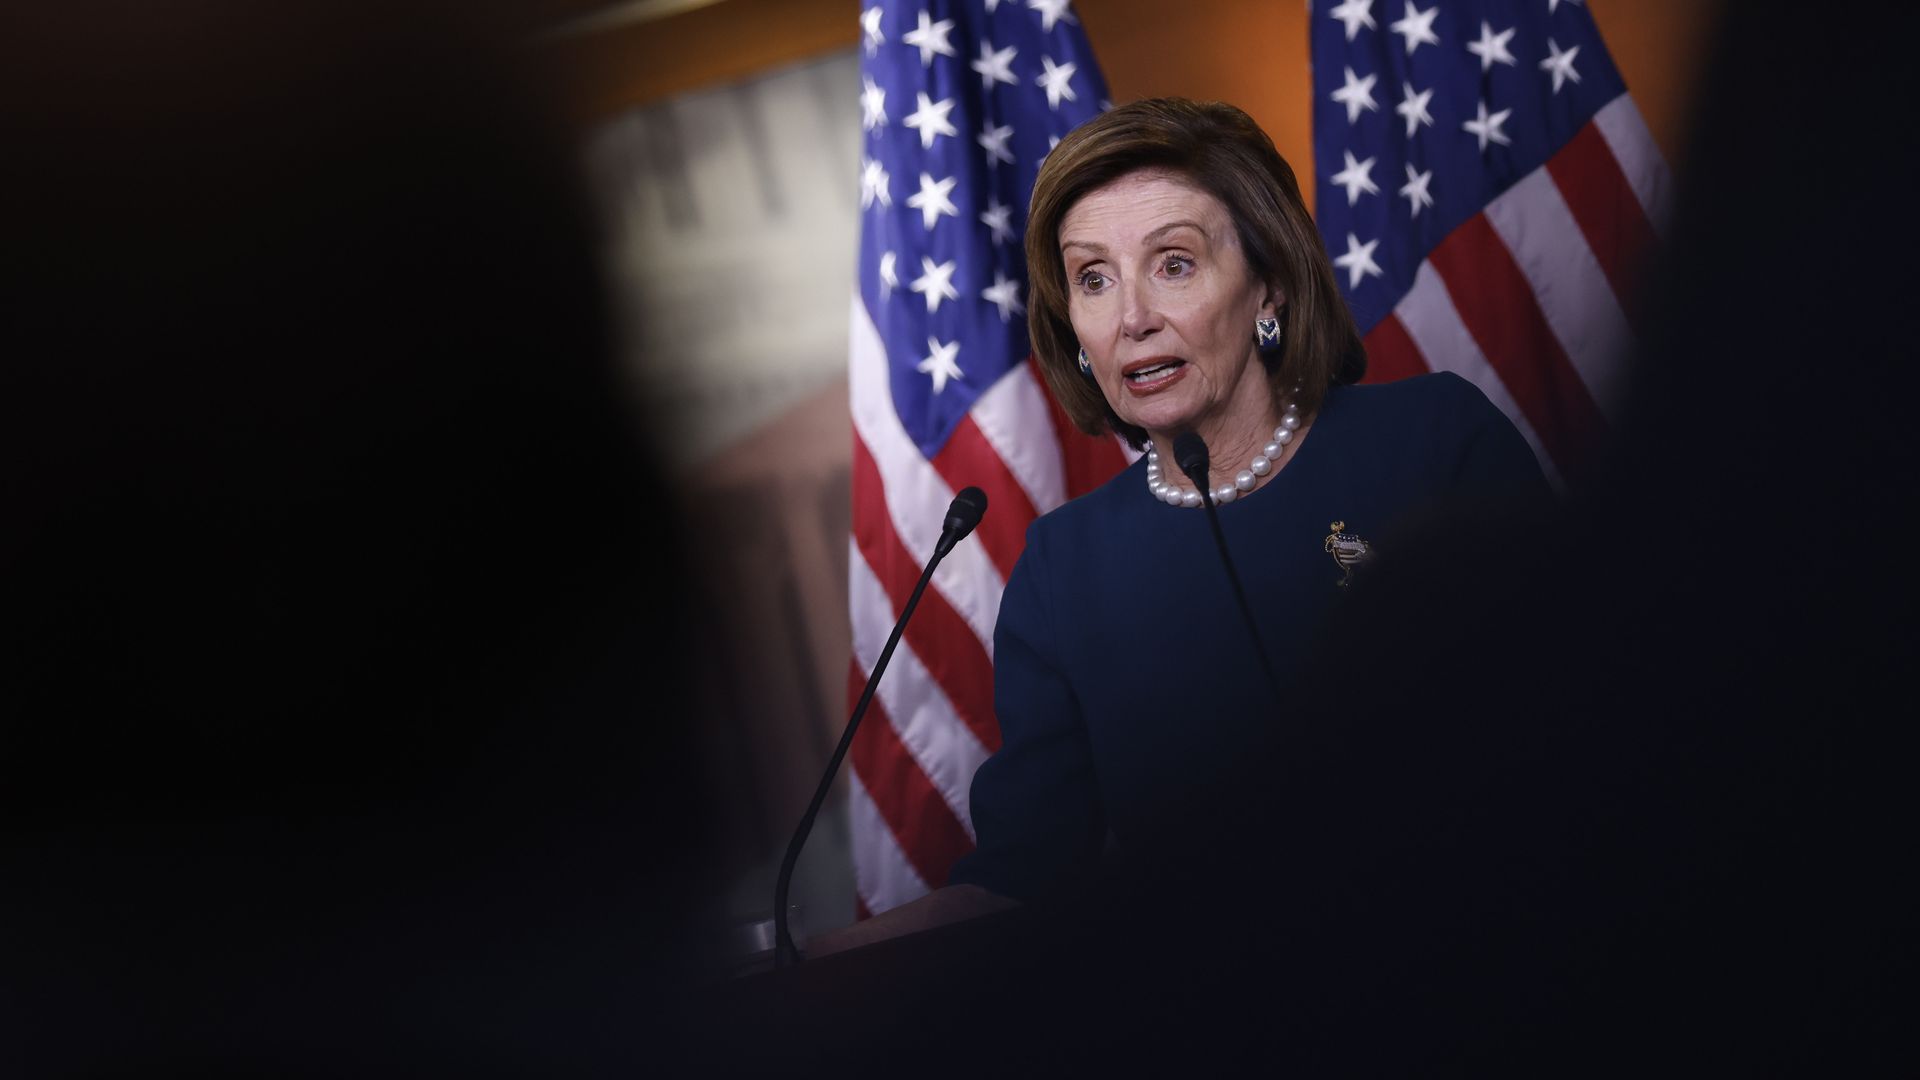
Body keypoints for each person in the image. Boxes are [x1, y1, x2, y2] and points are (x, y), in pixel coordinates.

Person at [807, 98, 1548, 956]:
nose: (1132, 318)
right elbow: (1023, 875)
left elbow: (1575, 707)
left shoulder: (1430, 440)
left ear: (1268, 283)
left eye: (1173, 263)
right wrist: (805, 970)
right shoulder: (1061, 568)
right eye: (1094, 278)